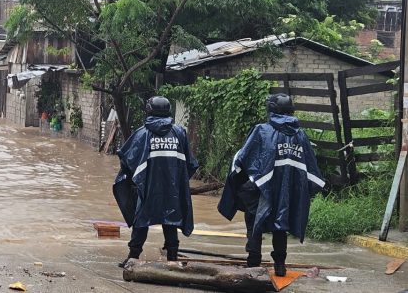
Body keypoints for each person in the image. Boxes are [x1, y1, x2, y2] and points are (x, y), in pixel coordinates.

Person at [217, 93, 325, 277]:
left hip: (262, 189)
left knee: (254, 221)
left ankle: (253, 265)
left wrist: (239, 184)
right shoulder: (300, 135)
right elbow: (311, 170)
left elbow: (242, 159)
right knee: (280, 225)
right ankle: (280, 266)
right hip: (288, 192)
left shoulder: (262, 130)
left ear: (271, 109)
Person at [113, 96, 199, 267]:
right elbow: (190, 164)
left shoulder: (142, 133)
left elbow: (127, 160)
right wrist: (177, 183)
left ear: (149, 111)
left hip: (148, 188)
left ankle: (133, 257)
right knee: (170, 220)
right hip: (171, 189)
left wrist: (134, 183)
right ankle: (172, 259)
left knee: (141, 220)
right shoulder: (179, 133)